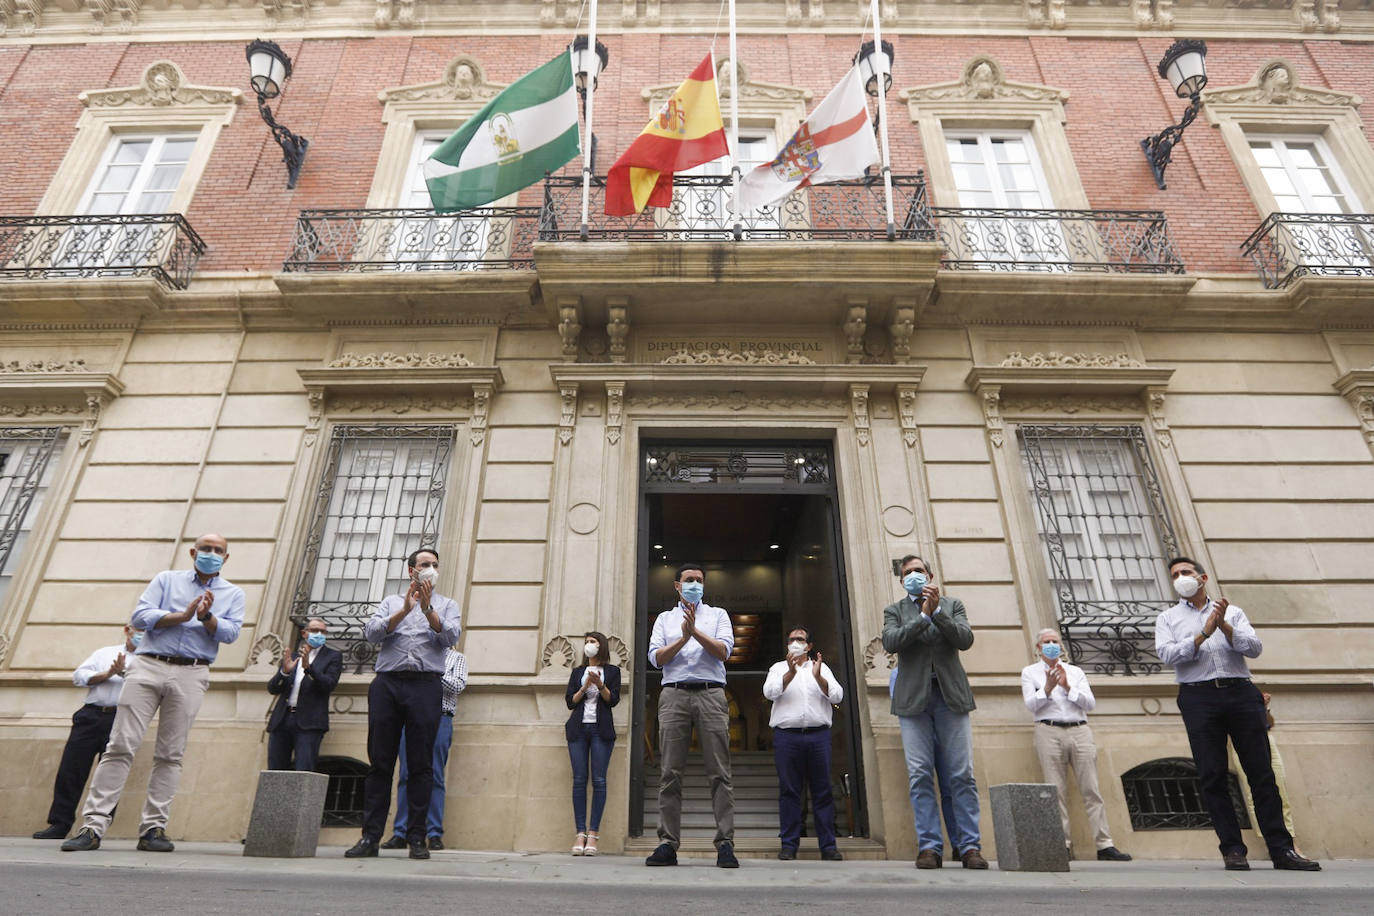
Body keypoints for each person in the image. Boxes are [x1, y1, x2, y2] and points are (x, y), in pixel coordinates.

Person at [62, 533, 245, 853]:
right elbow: (141, 616)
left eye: (218, 551)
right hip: (148, 666)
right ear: (193, 552)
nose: (211, 554)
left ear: (226, 558)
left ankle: (153, 829)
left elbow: (230, 632)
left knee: (171, 754)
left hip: (193, 671)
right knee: (119, 745)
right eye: (206, 549)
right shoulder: (166, 580)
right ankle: (93, 826)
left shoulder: (233, 593)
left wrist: (206, 618)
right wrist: (182, 616)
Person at [1155, 556, 1319, 872]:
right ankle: (1232, 849)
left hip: (1241, 692)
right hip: (1198, 695)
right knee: (1213, 774)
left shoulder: (1232, 611)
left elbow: (1254, 648)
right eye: (1175, 575)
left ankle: (1282, 850)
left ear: (1202, 578)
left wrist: (1224, 626)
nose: (1180, 578)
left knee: (1261, 773)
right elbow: (1167, 655)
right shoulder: (1168, 618)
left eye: (1186, 572)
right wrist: (1202, 634)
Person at [345, 547, 461, 861]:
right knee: (380, 762)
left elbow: (450, 637)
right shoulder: (390, 602)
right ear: (411, 570)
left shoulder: (447, 605)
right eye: (425, 564)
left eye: (435, 565)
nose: (431, 569)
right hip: (388, 684)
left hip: (425, 686)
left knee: (422, 765)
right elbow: (371, 633)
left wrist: (427, 611)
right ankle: (370, 838)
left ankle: (417, 838)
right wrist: (404, 611)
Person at [881, 553, 986, 870]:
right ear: (902, 581)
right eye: (908, 572)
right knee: (920, 775)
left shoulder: (952, 605)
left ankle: (968, 846)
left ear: (930, 574)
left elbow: (964, 639)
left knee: (961, 775)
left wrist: (937, 611)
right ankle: (929, 846)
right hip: (913, 702)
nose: (914, 575)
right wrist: (922, 617)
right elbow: (891, 641)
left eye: (919, 571)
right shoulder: (894, 611)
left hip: (950, 697)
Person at [644, 562, 738, 868]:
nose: (694, 584)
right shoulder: (664, 619)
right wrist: (683, 638)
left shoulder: (718, 615)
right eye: (689, 580)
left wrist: (694, 631)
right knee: (670, 773)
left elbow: (724, 652)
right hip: (674, 693)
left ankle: (725, 844)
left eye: (699, 580)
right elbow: (656, 658)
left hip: (711, 693)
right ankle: (667, 844)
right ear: (677, 586)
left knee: (719, 773)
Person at [1020, 628, 1131, 862]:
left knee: (1091, 789)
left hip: (1080, 729)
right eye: (1046, 642)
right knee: (1055, 791)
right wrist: (1048, 688)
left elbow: (1089, 703)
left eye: (1055, 641)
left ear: (1061, 646)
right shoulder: (1030, 672)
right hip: (1048, 730)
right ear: (1038, 648)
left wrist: (1068, 687)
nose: (1051, 645)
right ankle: (1064, 845)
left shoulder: (1075, 671)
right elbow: (1031, 705)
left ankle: (1104, 845)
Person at [32, 625, 142, 840]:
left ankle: (95, 827)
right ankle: (60, 823)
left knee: (111, 774)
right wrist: (107, 674)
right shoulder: (105, 652)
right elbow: (79, 676)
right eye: (139, 629)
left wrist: (124, 673)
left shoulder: (150, 661)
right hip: (90, 716)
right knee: (70, 770)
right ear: (128, 629)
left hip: (122, 718)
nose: (142, 635)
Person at [762, 626, 844, 862]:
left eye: (800, 639)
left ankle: (828, 846)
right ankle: (789, 845)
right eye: (791, 639)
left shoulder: (821, 668)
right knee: (789, 792)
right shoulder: (778, 668)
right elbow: (769, 692)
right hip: (787, 738)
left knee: (823, 792)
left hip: (818, 737)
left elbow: (837, 696)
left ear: (808, 646)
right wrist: (789, 672)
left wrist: (818, 678)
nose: (795, 642)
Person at [381, 646, 468, 851]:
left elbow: (458, 686)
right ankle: (401, 832)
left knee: (435, 776)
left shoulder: (457, 658)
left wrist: (433, 674)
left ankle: (434, 833)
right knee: (406, 774)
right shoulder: (415, 654)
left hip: (441, 718)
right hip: (410, 718)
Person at [564, 631, 620, 856]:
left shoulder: (612, 671)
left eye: (593, 642)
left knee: (599, 780)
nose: (589, 645)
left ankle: (593, 835)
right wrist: (585, 686)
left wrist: (601, 685)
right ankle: (580, 833)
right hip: (578, 730)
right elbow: (570, 702)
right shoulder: (578, 671)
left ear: (601, 646)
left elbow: (613, 700)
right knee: (579, 781)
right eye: (587, 642)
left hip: (601, 730)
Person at [266, 618, 343, 772]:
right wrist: (284, 672)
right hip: (282, 720)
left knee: (303, 773)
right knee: (275, 774)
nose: (319, 634)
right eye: (315, 630)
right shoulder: (293, 657)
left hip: (309, 723)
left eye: (323, 632)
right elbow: (272, 688)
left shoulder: (333, 656)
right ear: (304, 633)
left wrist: (309, 668)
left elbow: (329, 684)